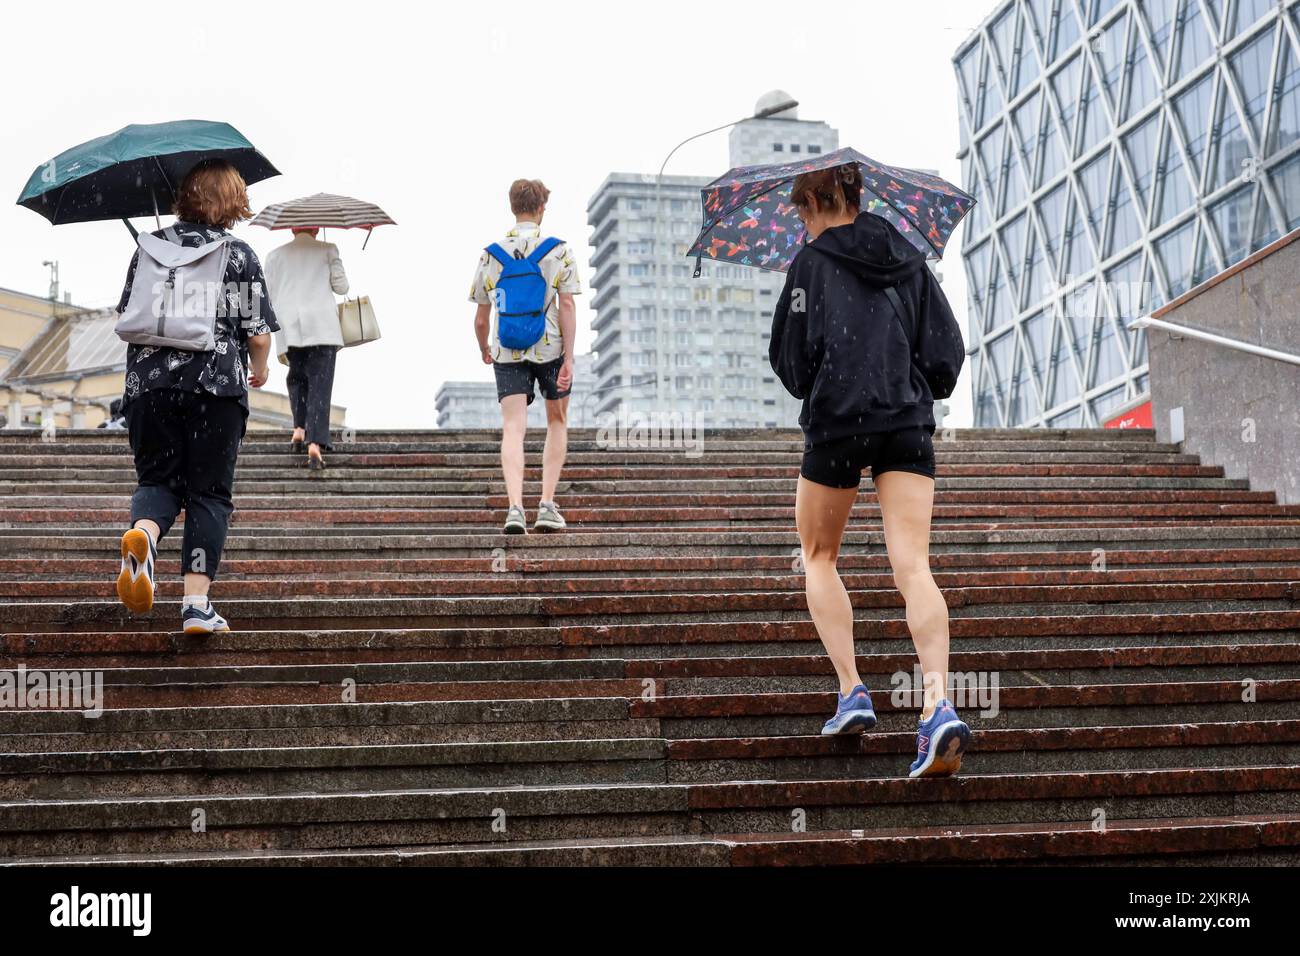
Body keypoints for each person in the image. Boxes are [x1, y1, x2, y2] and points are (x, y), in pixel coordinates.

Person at [769, 163, 971, 778]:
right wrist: (914, 384)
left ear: (815, 202)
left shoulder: (808, 266)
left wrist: (824, 374)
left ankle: (853, 689)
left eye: (801, 210)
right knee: (913, 564)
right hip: (904, 420)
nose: (801, 222)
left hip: (835, 422)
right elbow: (946, 352)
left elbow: (790, 362)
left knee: (819, 555)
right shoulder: (908, 258)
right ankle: (936, 706)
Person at [113, 159, 278, 634]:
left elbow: (128, 312)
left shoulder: (148, 249)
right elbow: (259, 333)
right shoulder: (239, 253)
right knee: (208, 492)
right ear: (231, 202)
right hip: (215, 385)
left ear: (185, 196)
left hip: (148, 387)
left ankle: (143, 536)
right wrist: (260, 370)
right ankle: (196, 604)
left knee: (158, 481)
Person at [469, 179, 580, 534]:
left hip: (508, 346)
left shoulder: (491, 252)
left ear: (512, 206)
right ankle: (546, 504)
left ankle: (515, 507)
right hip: (549, 346)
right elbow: (567, 304)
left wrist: (484, 346)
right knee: (556, 421)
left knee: (513, 427)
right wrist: (570, 357)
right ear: (542, 208)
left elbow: (482, 317)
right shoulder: (559, 250)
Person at [264, 227, 348, 470]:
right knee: (319, 383)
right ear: (315, 228)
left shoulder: (275, 255)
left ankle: (299, 429)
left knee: (297, 377)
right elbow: (342, 287)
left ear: (291, 228)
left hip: (290, 326)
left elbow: (267, 293)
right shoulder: (328, 249)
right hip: (322, 325)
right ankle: (315, 443)